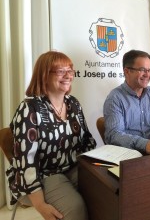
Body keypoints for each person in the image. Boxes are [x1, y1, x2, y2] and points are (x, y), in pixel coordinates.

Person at [6, 51, 96, 220]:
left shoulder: (73, 103)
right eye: (61, 71)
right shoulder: (29, 109)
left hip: (72, 166)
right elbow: (26, 162)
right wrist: (40, 205)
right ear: (44, 75)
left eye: (70, 70)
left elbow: (86, 142)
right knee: (75, 209)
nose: (68, 76)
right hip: (42, 175)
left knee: (105, 194)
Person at [103, 49, 150, 155]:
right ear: (127, 71)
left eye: (149, 70)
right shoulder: (115, 98)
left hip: (149, 154)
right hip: (124, 157)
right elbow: (114, 134)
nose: (147, 74)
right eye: (142, 69)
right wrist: (144, 144)